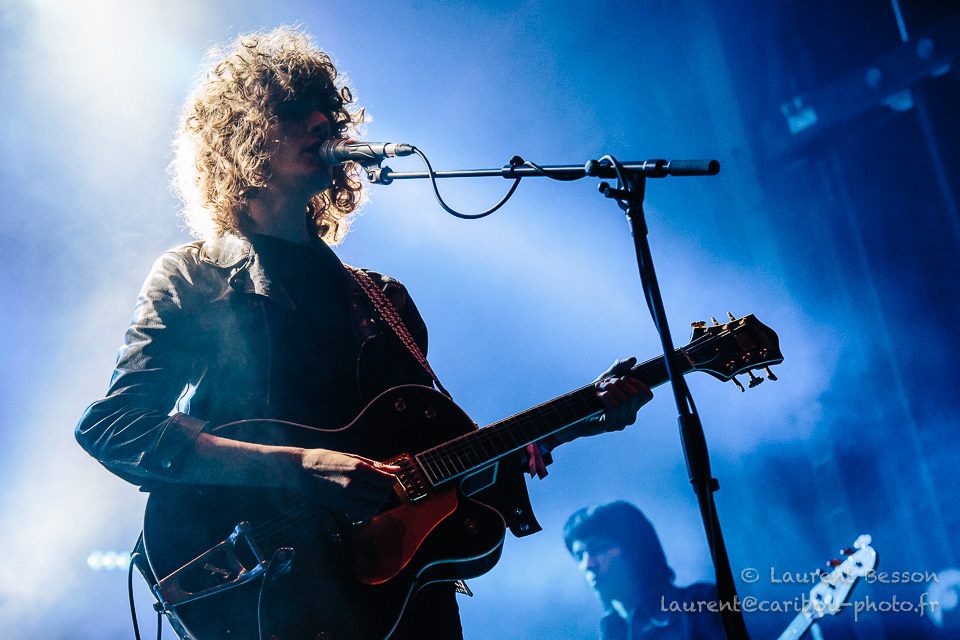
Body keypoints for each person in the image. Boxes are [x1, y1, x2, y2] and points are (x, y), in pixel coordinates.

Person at [75, 26, 652, 640]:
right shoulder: (195, 277)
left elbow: (427, 463)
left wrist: (576, 420)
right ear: (239, 137)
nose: (321, 121)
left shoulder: (384, 299)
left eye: (326, 110)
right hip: (262, 581)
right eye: (293, 111)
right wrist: (302, 466)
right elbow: (114, 427)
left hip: (398, 601)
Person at [565, 501, 725, 640]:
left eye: (599, 548)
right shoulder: (610, 631)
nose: (588, 564)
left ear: (635, 550)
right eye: (579, 556)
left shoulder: (699, 602)